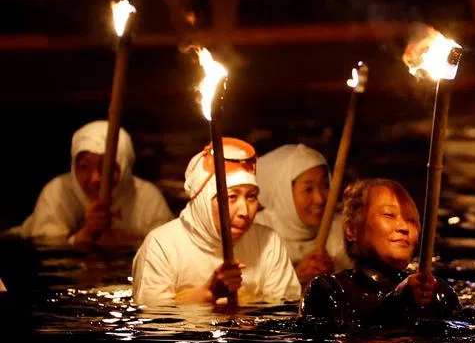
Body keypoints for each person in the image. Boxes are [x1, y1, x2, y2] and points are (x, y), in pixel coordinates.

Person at [131, 138, 300, 306]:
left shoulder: (267, 242)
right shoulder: (162, 245)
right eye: (231, 197)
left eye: (251, 197)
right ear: (202, 201)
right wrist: (208, 294)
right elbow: (154, 321)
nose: (244, 212)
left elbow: (285, 311)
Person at [301, 178, 456, 329]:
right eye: (389, 215)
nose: (404, 227)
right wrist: (398, 302)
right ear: (352, 229)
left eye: (411, 220)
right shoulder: (328, 290)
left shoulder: (437, 292)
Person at [15, 121, 173, 246]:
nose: (95, 178)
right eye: (84, 167)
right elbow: (46, 249)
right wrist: (84, 235)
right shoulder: (57, 193)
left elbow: (166, 248)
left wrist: (120, 238)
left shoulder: (147, 198)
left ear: (124, 168)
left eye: (107, 167)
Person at [253, 144, 350, 287]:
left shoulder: (342, 230)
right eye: (308, 189)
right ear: (284, 194)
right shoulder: (258, 235)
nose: (320, 199)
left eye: (324, 185)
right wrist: (294, 278)